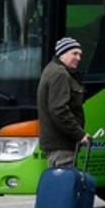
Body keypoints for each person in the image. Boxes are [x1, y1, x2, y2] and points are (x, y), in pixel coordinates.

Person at [37, 37, 89, 167]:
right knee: (64, 184)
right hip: (62, 145)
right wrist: (79, 135)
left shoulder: (51, 70)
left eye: (80, 54)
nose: (78, 58)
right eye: (74, 53)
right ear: (62, 54)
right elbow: (59, 110)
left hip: (58, 144)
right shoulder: (60, 74)